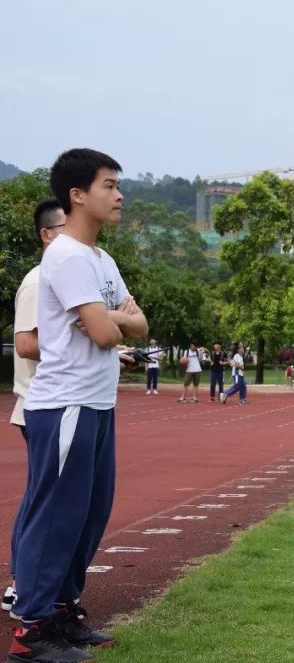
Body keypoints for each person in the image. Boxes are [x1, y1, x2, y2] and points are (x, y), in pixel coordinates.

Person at [13, 148, 148, 662]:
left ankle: (63, 612)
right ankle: (30, 630)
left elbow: (138, 324)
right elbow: (102, 331)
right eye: (109, 186)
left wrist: (115, 320)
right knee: (55, 518)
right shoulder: (66, 255)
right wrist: (114, 320)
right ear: (78, 195)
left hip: (96, 403)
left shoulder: (101, 259)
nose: (119, 195)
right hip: (65, 404)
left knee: (89, 515)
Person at [6, 200, 66, 616]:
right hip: (39, 404)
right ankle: (19, 585)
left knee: (53, 499)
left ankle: (40, 586)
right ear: (47, 234)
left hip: (63, 401)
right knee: (42, 499)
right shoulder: (36, 280)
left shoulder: (65, 276)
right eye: (67, 226)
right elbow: (27, 344)